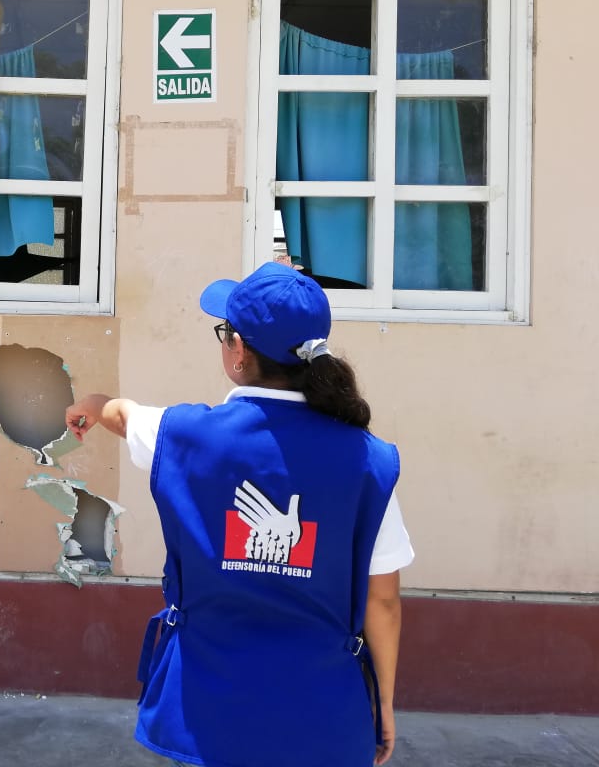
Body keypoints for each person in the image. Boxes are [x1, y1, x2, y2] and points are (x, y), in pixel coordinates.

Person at [65, 262, 413, 767]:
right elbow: (383, 601)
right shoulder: (370, 461)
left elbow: (126, 416)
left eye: (224, 332)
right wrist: (382, 705)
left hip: (203, 716)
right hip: (323, 720)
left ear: (238, 351)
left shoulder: (181, 435)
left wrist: (94, 405)